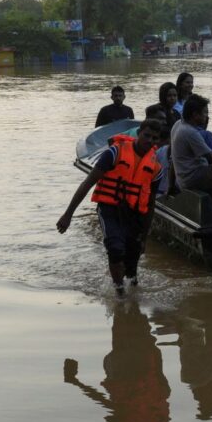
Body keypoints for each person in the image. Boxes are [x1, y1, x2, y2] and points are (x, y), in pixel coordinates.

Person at [57, 119, 166, 296]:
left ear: (158, 142)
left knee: (132, 264)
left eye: (155, 138)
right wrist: (67, 215)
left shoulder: (156, 168)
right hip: (109, 208)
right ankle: (118, 292)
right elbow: (88, 183)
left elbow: (151, 203)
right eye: (147, 136)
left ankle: (132, 296)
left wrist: (144, 238)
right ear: (138, 134)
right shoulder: (115, 153)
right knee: (115, 249)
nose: (150, 141)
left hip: (135, 214)